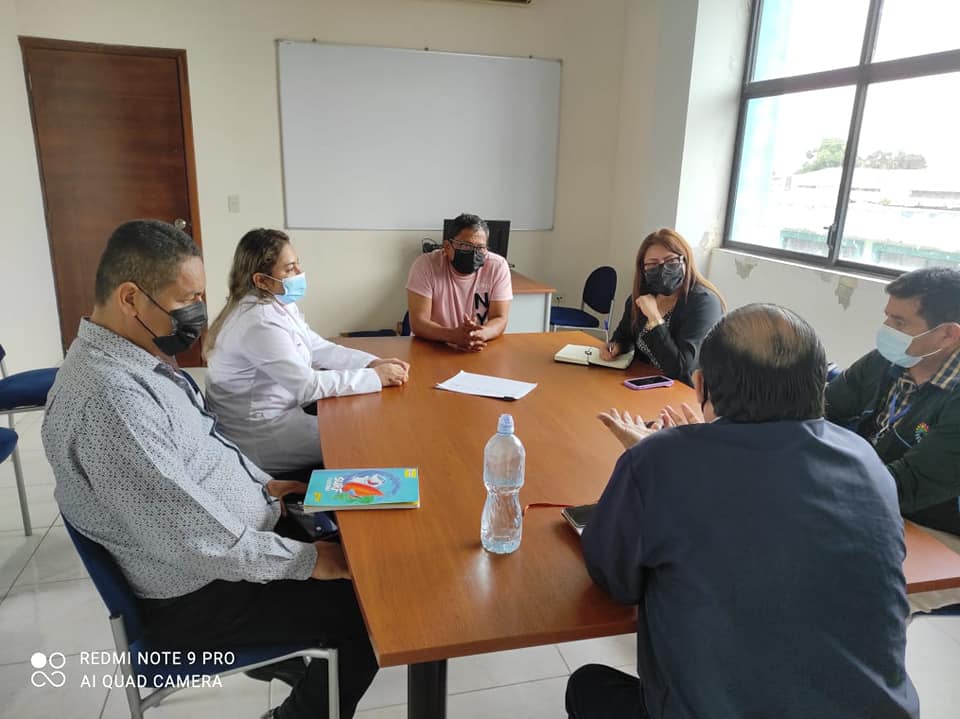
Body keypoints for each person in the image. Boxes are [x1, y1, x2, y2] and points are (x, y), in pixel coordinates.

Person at [42, 220, 377, 719]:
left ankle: (290, 658)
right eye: (187, 299)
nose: (199, 312)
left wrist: (265, 485)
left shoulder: (136, 358)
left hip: (238, 535)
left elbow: (206, 449)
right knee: (369, 610)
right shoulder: (111, 402)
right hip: (198, 593)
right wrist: (309, 562)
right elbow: (193, 541)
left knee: (366, 522)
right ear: (130, 298)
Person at [567, 304, 918, 719]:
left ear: (699, 384)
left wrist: (665, 457)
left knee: (586, 685)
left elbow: (615, 582)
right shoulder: (864, 457)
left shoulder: (659, 461)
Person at [203, 228, 409, 476]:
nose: (299, 273)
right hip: (261, 436)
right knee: (365, 435)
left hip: (282, 412)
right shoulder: (258, 322)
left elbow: (318, 347)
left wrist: (372, 363)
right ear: (261, 280)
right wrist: (375, 378)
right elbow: (307, 386)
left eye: (297, 264)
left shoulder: (275, 303)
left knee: (365, 417)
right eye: (289, 269)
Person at [825, 267, 960, 612]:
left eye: (899, 323)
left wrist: (820, 482)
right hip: (876, 501)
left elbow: (909, 485)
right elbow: (821, 409)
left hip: (937, 530)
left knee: (847, 593)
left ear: (948, 335)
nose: (886, 330)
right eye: (887, 317)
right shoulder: (886, 362)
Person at [601, 228, 724, 385]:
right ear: (643, 269)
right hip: (644, 382)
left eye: (671, 261)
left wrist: (654, 318)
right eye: (652, 264)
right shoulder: (642, 297)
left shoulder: (705, 303)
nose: (662, 269)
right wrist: (615, 347)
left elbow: (680, 368)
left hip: (683, 391)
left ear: (685, 260)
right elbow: (624, 336)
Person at [406, 212, 512, 351]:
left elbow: (500, 318)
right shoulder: (426, 265)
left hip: (477, 346)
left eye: (480, 248)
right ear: (447, 246)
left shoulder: (497, 266)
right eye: (465, 246)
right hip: (433, 346)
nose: (474, 253)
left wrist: (479, 334)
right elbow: (418, 322)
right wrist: (452, 336)